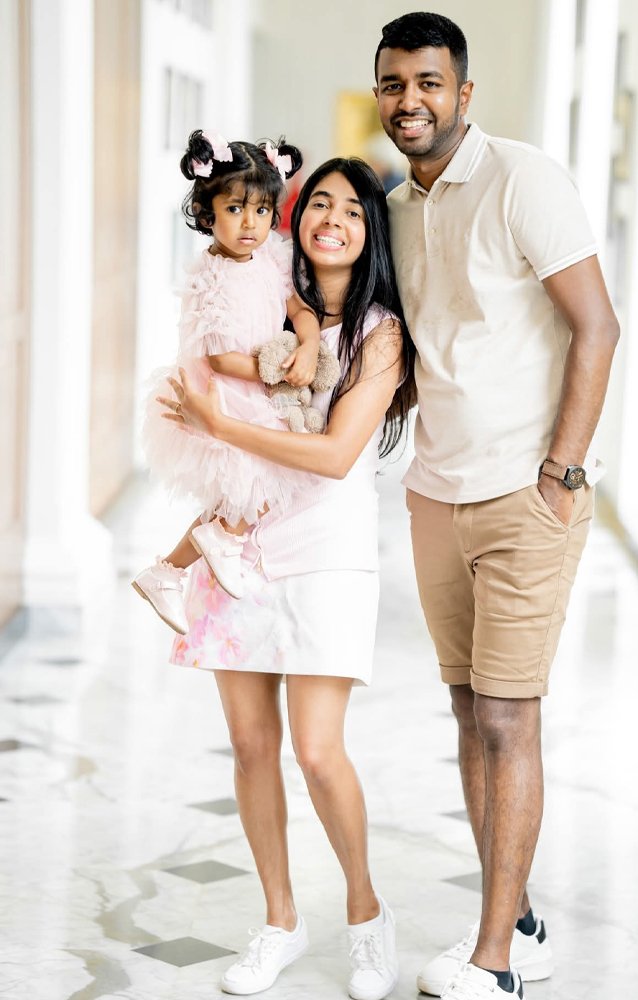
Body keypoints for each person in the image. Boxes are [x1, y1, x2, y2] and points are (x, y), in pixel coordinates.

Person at [373, 12, 620, 1000]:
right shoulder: (396, 206)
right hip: (435, 495)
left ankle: (496, 963)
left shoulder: (525, 179)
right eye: (394, 83)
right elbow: (425, 348)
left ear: (463, 93)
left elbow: (597, 327)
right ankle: (516, 918)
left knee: (510, 718)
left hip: (526, 495)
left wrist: (562, 472)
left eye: (428, 82)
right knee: (470, 712)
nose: (411, 101)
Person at [159, 157, 414, 1000]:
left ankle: (367, 916)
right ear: (295, 219)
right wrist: (201, 419)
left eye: (353, 210)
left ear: (371, 232)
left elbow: (335, 455)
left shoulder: (380, 333)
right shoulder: (265, 292)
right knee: (249, 745)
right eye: (320, 205)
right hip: (243, 542)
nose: (332, 220)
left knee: (316, 749)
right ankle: (279, 921)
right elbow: (203, 368)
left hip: (328, 552)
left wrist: (217, 420)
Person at [133, 128, 322, 633]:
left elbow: (300, 308)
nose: (250, 223)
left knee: (242, 497)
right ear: (206, 213)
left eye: (261, 210)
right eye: (235, 209)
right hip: (224, 393)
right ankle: (205, 550)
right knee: (263, 480)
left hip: (260, 385)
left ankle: (168, 571)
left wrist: (307, 344)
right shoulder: (209, 277)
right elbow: (219, 358)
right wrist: (278, 371)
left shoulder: (272, 257)